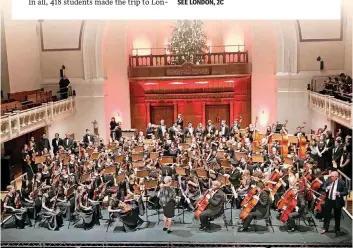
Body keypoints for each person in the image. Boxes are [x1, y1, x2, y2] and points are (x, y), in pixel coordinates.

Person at [320, 171, 348, 236]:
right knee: (327, 215)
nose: (331, 177)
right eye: (331, 176)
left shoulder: (342, 182)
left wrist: (340, 193)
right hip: (329, 201)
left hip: (337, 201)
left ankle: (337, 230)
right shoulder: (328, 180)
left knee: (337, 216)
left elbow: (346, 192)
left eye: (332, 176)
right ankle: (325, 228)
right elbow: (323, 187)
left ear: (336, 177)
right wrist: (326, 188)